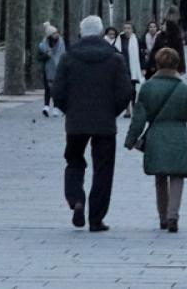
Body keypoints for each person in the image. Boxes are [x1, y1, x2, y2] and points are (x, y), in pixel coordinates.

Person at [52, 15, 134, 232]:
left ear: (81, 33)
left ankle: (76, 199)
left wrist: (69, 109)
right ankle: (96, 218)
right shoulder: (114, 58)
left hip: (76, 122)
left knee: (74, 160)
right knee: (104, 170)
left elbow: (57, 91)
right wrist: (112, 111)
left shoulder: (69, 58)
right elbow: (126, 91)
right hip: (104, 123)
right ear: (100, 33)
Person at [123, 47, 187, 233]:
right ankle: (173, 215)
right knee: (177, 176)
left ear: (157, 64)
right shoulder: (185, 89)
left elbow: (138, 119)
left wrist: (131, 140)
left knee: (160, 177)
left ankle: (162, 217)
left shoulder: (147, 88)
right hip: (179, 134)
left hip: (156, 136)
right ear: (176, 64)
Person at [115, 21, 146, 118]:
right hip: (122, 67)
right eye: (125, 28)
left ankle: (133, 106)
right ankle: (127, 109)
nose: (127, 30)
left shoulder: (137, 40)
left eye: (129, 28)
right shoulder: (119, 39)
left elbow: (141, 55)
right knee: (124, 89)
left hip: (133, 68)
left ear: (132, 30)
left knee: (132, 89)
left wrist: (143, 67)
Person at [37, 22, 66, 117]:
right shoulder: (43, 45)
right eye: (54, 33)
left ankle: (56, 107)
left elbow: (64, 55)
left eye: (57, 33)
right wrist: (46, 55)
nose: (56, 34)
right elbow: (38, 57)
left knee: (57, 89)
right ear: (49, 35)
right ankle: (46, 106)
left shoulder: (61, 43)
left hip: (59, 69)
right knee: (48, 88)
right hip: (48, 69)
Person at [151, 10, 187, 77]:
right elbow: (154, 51)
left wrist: (181, 68)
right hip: (160, 65)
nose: (162, 26)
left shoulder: (176, 38)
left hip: (172, 66)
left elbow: (180, 54)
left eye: (164, 25)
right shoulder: (159, 37)